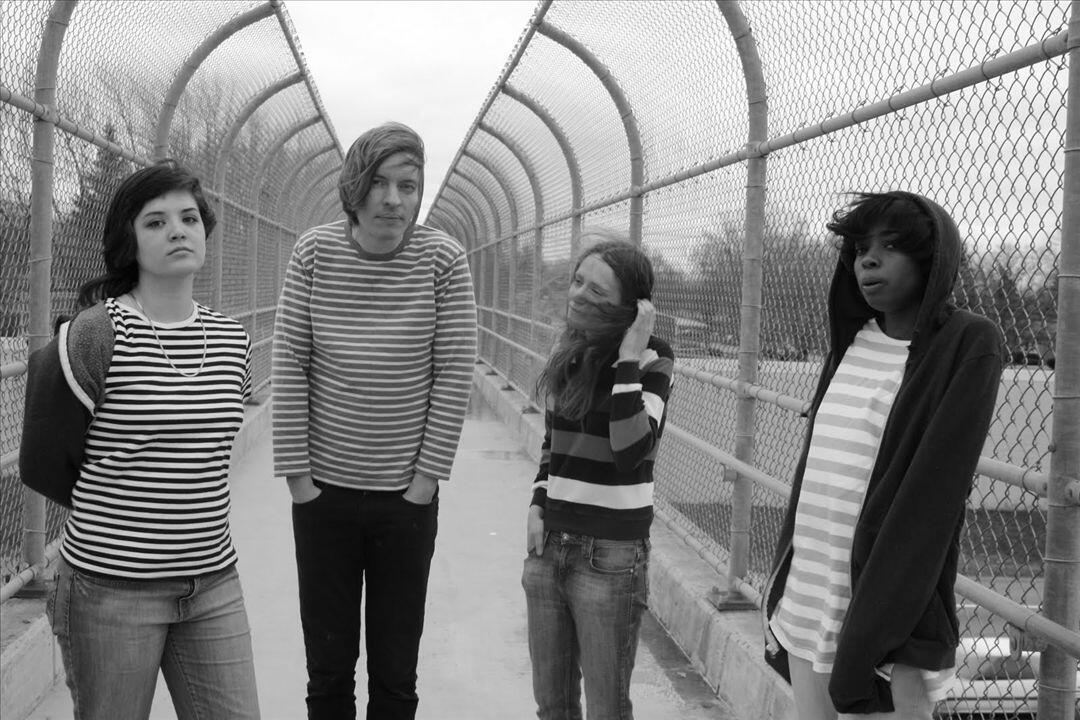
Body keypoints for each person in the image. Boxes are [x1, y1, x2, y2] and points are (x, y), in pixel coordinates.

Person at [20, 160, 260, 720]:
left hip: (213, 581)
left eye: (189, 218)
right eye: (156, 222)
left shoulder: (232, 340)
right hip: (111, 591)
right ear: (129, 241)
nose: (178, 230)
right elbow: (44, 461)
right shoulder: (95, 334)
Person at [762, 191, 1005, 719]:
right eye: (859, 249)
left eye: (890, 246)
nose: (867, 261)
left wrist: (884, 629)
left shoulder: (967, 343)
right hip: (808, 598)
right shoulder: (851, 343)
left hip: (888, 616)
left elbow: (932, 499)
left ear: (931, 259)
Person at [272, 121, 477, 720]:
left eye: (407, 186)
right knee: (328, 672)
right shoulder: (314, 252)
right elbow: (291, 362)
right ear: (355, 187)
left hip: (404, 501)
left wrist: (424, 483)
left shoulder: (443, 259)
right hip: (323, 496)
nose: (392, 199)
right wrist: (299, 481)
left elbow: (453, 373)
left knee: (395, 673)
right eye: (379, 183)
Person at [523, 236, 676, 720]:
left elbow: (631, 450)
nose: (579, 295)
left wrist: (628, 357)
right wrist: (538, 503)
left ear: (632, 308)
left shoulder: (653, 359)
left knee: (607, 709)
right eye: (578, 281)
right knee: (552, 706)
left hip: (610, 557)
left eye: (597, 291)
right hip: (550, 546)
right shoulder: (568, 350)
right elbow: (554, 444)